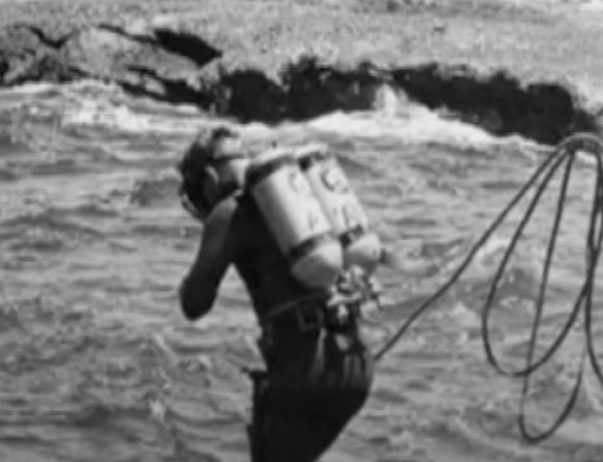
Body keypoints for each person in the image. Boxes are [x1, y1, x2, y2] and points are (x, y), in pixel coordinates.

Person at [175, 125, 424, 462]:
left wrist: (196, 269)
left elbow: (195, 305)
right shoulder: (302, 193)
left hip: (304, 369)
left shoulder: (230, 211)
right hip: (354, 359)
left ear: (208, 178)